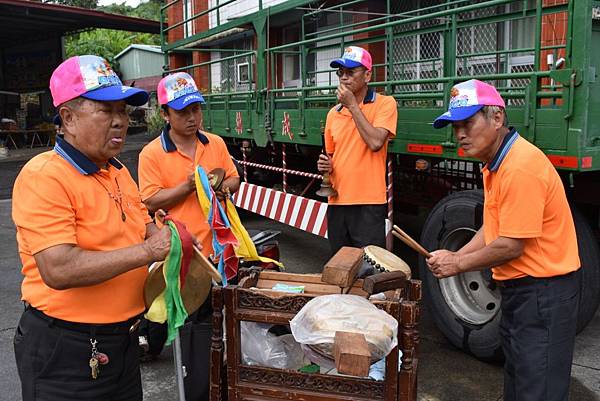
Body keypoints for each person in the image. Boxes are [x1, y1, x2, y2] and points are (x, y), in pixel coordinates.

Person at [11, 55, 173, 401]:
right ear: (67, 119)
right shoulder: (45, 176)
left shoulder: (116, 171)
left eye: (123, 112)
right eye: (106, 111)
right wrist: (148, 252)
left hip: (124, 344)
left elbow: (144, 226)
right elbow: (59, 268)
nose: (120, 122)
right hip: (67, 352)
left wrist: (165, 236)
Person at [426, 79, 580, 401]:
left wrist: (457, 263)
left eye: (468, 123)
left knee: (539, 392)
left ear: (497, 118)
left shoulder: (520, 167)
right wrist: (456, 254)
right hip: (523, 294)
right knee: (520, 384)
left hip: (544, 295)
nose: (460, 135)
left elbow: (511, 245)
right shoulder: (495, 165)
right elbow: (493, 227)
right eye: (455, 127)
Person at [138, 71, 240, 259]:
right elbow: (151, 201)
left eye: (195, 109)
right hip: (180, 252)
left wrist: (220, 188)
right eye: (182, 112)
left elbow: (234, 179)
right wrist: (189, 186)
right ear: (164, 114)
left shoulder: (215, 142)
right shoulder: (151, 154)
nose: (192, 117)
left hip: (221, 249)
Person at [316, 46, 398, 255]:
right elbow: (333, 157)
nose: (344, 78)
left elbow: (375, 142)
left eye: (351, 72)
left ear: (368, 75)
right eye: (340, 73)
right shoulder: (333, 114)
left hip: (368, 203)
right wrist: (325, 165)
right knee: (341, 265)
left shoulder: (385, 104)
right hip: (337, 201)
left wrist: (353, 106)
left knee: (369, 269)